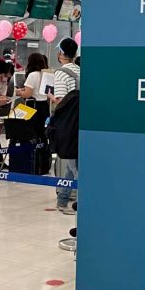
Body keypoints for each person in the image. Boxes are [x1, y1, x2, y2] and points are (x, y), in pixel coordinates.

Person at [51, 38, 80, 213]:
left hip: (68, 123)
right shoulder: (80, 70)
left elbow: (61, 100)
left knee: (73, 165)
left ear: (61, 53)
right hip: (81, 121)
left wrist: (52, 99)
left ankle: (85, 201)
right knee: (73, 160)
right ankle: (62, 200)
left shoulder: (61, 73)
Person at [15, 52, 54, 133]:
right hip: (44, 105)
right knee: (42, 131)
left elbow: (27, 94)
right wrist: (23, 89)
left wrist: (18, 92)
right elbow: (39, 89)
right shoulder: (46, 74)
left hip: (33, 106)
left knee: (32, 132)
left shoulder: (32, 75)